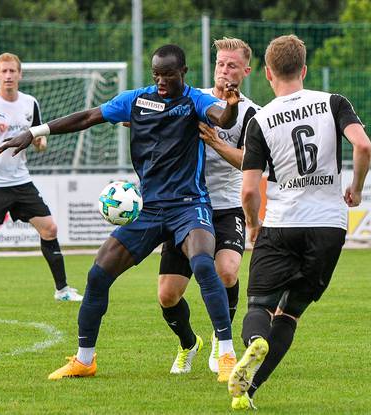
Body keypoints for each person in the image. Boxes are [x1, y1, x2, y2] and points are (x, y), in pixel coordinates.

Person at [0, 44, 241, 382]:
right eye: (156, 75)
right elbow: (87, 117)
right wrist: (35, 132)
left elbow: (220, 116)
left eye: (167, 76)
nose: (160, 82)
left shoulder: (194, 101)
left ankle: (227, 356)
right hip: (149, 208)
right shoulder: (136, 100)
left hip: (189, 205)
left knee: (202, 262)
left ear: (182, 73)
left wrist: (230, 107)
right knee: (98, 273)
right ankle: (85, 360)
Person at [227, 34, 371, 410]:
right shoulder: (333, 103)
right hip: (328, 224)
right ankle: (248, 393)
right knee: (289, 314)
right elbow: (362, 145)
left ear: (268, 73)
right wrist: (355, 188)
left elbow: (248, 191)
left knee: (258, 307)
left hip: (282, 222)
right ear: (304, 69)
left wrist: (254, 225)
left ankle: (254, 342)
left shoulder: (260, 120)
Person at [157, 38, 260, 377]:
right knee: (168, 296)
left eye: (232, 65)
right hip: (185, 207)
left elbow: (250, 162)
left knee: (227, 271)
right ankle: (189, 343)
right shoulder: (192, 100)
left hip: (227, 206)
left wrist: (216, 141)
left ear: (246, 71)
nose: (224, 70)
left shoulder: (252, 114)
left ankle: (221, 337)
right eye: (220, 64)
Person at [0, 52, 83, 305]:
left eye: (13, 71)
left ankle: (62, 290)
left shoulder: (30, 103)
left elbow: (38, 139)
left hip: (20, 181)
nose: (8, 76)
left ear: (20, 74)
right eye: (4, 71)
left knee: (49, 228)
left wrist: (40, 143)